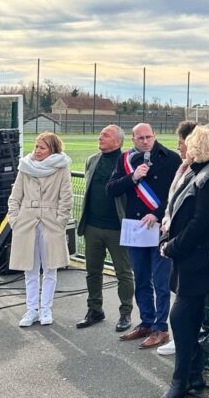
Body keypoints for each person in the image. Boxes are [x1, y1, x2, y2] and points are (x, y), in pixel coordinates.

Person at [159, 125, 209, 398]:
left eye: (187, 144)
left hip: (197, 259)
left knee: (182, 317)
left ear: (197, 147)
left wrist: (174, 246)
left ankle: (182, 381)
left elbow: (201, 223)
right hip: (190, 257)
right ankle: (192, 376)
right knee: (188, 318)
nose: (183, 149)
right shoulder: (201, 174)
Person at [108, 123, 181, 349]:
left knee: (160, 282)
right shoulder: (125, 160)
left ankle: (161, 328)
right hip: (136, 227)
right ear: (133, 140)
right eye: (140, 138)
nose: (145, 141)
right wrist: (132, 178)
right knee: (141, 279)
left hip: (159, 227)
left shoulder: (171, 158)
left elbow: (177, 194)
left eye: (148, 137)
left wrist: (157, 213)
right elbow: (110, 189)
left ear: (154, 136)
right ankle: (146, 322)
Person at [8, 132, 73, 328]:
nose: (37, 150)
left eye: (42, 147)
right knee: (30, 269)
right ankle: (31, 310)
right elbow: (15, 196)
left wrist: (60, 221)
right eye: (36, 146)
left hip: (51, 223)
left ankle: (46, 309)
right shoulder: (25, 167)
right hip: (26, 223)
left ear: (52, 149)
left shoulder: (61, 169)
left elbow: (66, 197)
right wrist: (15, 220)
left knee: (50, 268)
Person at [76, 125, 134, 332]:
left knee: (124, 273)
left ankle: (126, 313)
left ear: (118, 142)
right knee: (92, 271)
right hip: (92, 226)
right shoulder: (92, 160)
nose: (100, 137)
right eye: (100, 133)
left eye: (106, 135)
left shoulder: (128, 162)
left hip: (117, 228)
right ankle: (95, 309)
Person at [157, 119, 199, 357]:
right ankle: (181, 339)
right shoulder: (184, 169)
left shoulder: (202, 173)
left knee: (187, 302)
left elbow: (195, 217)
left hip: (187, 247)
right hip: (174, 238)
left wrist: (175, 242)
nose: (179, 147)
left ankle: (185, 342)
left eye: (181, 143)